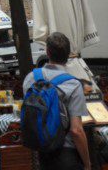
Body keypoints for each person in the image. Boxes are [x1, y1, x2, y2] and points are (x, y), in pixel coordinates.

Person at [23, 32, 90, 170]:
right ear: (68, 55)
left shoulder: (30, 78)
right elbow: (76, 130)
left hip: (40, 152)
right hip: (67, 154)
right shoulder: (73, 84)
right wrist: (88, 164)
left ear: (47, 52)